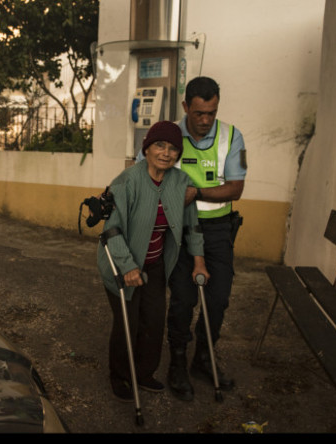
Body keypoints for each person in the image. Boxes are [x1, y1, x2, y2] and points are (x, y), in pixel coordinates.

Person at [97, 121, 209, 402]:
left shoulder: (181, 182)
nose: (166, 153)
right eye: (160, 145)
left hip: (156, 265)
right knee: (128, 323)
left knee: (154, 322)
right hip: (121, 264)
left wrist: (199, 262)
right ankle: (119, 374)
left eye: (173, 148)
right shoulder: (127, 181)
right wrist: (128, 267)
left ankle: (144, 373)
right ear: (147, 148)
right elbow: (111, 230)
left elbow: (192, 226)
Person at [166, 76, 247, 401]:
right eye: (198, 113)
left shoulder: (231, 136)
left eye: (211, 113)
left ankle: (203, 357)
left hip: (217, 231)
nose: (204, 120)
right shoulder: (169, 135)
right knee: (183, 299)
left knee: (218, 299)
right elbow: (148, 175)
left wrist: (196, 191)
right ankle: (177, 362)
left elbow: (235, 189)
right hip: (178, 231)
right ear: (186, 106)